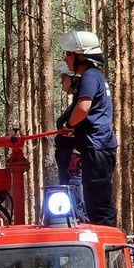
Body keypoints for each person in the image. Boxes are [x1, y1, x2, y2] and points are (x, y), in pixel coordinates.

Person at [59, 30, 118, 227]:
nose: (66, 59)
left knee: (99, 204)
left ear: (81, 55)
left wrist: (69, 125)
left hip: (97, 148)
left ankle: (107, 246)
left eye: (68, 54)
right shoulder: (95, 76)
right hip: (96, 147)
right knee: (95, 201)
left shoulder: (90, 77)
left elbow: (83, 108)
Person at [54, 63, 88, 221]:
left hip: (74, 165)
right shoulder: (75, 103)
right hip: (67, 162)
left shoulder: (82, 104)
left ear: (75, 80)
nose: (61, 82)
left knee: (77, 200)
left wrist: (76, 153)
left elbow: (84, 128)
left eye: (64, 78)